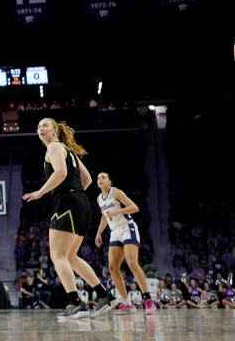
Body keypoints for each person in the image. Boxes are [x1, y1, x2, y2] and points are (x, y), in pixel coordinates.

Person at [22, 118, 115, 320]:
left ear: (55, 130)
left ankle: (75, 303)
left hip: (67, 202)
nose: (40, 128)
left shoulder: (54, 147)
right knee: (71, 257)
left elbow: (61, 173)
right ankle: (103, 295)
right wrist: (76, 194)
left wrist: (40, 192)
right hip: (81, 202)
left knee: (58, 257)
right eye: (38, 126)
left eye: (45, 125)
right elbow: (88, 179)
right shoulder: (68, 150)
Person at [94, 171, 156, 314]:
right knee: (112, 267)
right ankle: (127, 303)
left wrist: (116, 212)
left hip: (127, 227)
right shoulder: (99, 199)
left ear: (110, 182)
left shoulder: (115, 192)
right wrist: (98, 233)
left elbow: (135, 207)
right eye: (98, 178)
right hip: (114, 231)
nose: (100, 179)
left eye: (103, 177)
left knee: (132, 263)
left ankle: (148, 300)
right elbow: (104, 217)